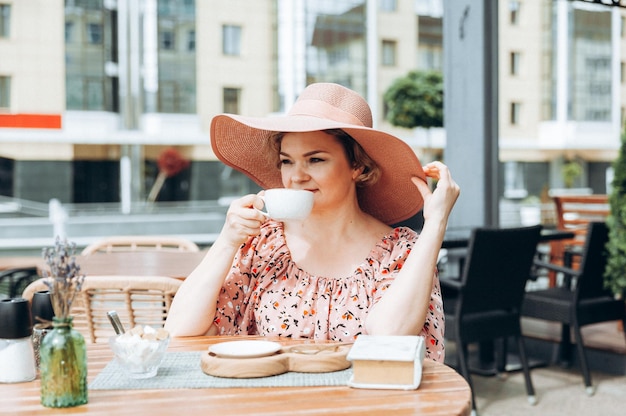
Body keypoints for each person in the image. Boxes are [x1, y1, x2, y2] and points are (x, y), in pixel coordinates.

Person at [165, 82, 459, 362]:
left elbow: (389, 334)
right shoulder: (262, 243)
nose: (297, 176)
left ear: (357, 165)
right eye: (287, 161)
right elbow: (179, 328)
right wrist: (227, 241)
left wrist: (435, 225)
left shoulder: (401, 252)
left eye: (315, 160)